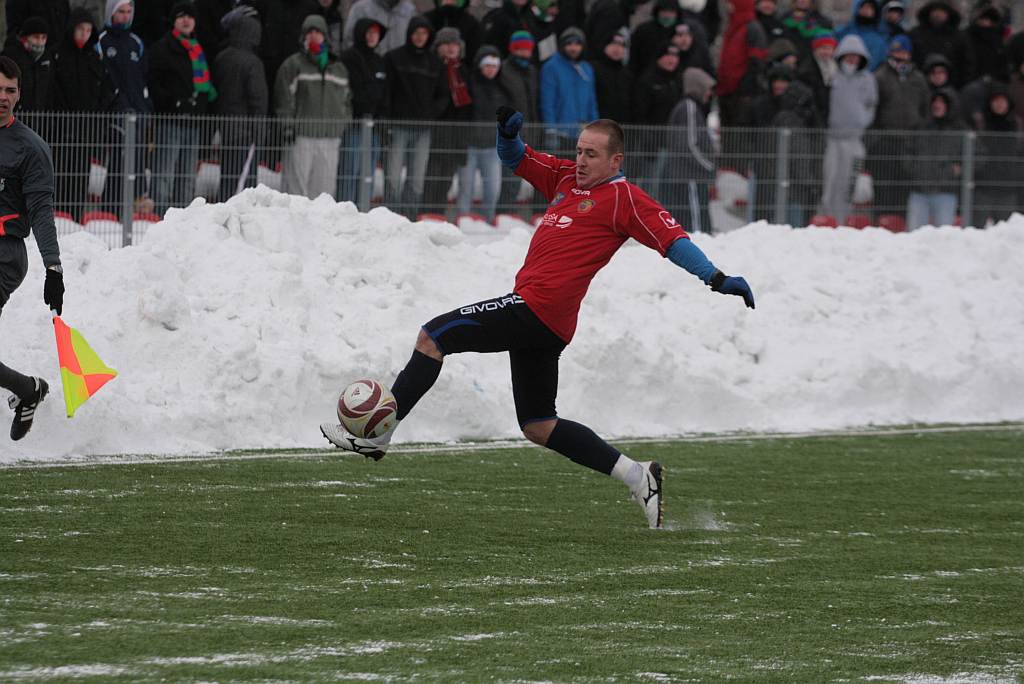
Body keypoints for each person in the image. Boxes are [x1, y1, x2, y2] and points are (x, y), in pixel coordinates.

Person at [320, 109, 756, 529]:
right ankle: (637, 476)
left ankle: (381, 432)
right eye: (579, 150)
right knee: (538, 424)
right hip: (544, 319)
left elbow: (673, 241)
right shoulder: (566, 178)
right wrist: (508, 136)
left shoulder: (626, 198)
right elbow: (517, 159)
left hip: (537, 309)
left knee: (435, 336)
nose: (580, 160)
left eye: (591, 154)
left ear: (615, 160)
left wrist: (716, 278)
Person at [0, 56, 64, 441]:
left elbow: (41, 211)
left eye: (9, 90)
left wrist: (53, 268)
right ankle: (26, 389)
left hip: (4, 256)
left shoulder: (30, 148)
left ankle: (28, 390)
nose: (3, 97)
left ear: (19, 95)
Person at [147, 1, 217, 214]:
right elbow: (154, 83)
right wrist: (173, 102)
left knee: (187, 177)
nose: (186, 20)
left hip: (193, 123)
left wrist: (199, 105)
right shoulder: (162, 48)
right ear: (174, 21)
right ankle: (160, 219)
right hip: (170, 121)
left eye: (190, 16)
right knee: (164, 176)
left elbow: (205, 88)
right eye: (181, 16)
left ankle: (183, 221)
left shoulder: (198, 49)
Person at [274, 14, 352, 200]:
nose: (314, 35)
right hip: (301, 137)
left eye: (318, 31)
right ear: (303, 37)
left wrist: (342, 124)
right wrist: (288, 126)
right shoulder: (293, 65)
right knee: (295, 192)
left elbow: (347, 101)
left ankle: (320, 229)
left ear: (325, 36)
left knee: (324, 195)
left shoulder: (338, 68)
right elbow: (284, 99)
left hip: (330, 138)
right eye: (310, 32)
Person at [868, 34, 929, 218]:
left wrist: (919, 132)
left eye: (903, 51)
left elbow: (925, 107)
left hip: (910, 142)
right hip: (885, 141)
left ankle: (900, 227)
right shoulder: (880, 76)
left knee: (904, 188)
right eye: (896, 51)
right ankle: (881, 224)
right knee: (883, 187)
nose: (900, 55)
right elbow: (873, 109)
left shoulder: (918, 78)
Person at [819, 34, 876, 224]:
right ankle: (827, 219)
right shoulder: (832, 75)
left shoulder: (868, 79)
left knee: (849, 183)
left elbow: (871, 104)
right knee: (829, 180)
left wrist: (862, 121)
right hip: (832, 139)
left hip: (854, 141)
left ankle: (843, 221)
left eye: (856, 56)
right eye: (848, 56)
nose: (852, 60)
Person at [212, 13, 267, 200]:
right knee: (245, 184)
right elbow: (258, 100)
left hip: (226, 128)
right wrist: (260, 133)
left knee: (227, 178)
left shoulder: (221, 58)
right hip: (246, 132)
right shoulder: (253, 62)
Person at [458, 45, 510, 222]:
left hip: (492, 147)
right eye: (487, 65)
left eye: (495, 65)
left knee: (492, 188)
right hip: (469, 145)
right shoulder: (470, 83)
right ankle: (463, 220)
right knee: (466, 187)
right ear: (480, 65)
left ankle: (488, 221)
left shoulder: (502, 87)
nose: (491, 69)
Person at [903, 88, 962, 230]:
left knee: (943, 237)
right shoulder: (919, 127)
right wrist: (914, 169)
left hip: (946, 191)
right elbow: (907, 153)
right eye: (935, 101)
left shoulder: (960, 129)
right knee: (914, 235)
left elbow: (976, 154)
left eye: (942, 102)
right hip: (919, 191)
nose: (937, 105)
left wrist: (959, 169)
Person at [667, 67, 716, 233]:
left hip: (692, 175)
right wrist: (708, 165)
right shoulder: (689, 107)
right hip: (690, 175)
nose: (710, 93)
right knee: (696, 226)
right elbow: (688, 144)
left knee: (692, 220)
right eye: (708, 88)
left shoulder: (691, 107)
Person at [539, 27, 598, 157]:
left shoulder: (586, 68)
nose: (573, 48)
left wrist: (596, 128)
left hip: (583, 134)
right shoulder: (551, 67)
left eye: (577, 44)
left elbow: (591, 101)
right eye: (569, 44)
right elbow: (547, 101)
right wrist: (551, 129)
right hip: (561, 133)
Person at [908, 0, 974, 88]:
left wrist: (960, 86)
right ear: (929, 12)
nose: (938, 14)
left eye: (942, 11)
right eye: (935, 11)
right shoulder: (915, 34)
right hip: (919, 86)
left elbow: (967, 64)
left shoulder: (959, 37)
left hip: (952, 87)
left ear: (948, 14)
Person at [1, 16, 55, 111]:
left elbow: (50, 91)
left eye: (43, 38)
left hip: (40, 117)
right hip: (14, 115)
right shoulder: (11, 57)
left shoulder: (47, 59)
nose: (40, 42)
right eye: (36, 37)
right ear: (25, 38)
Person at [343, 0, 416, 55]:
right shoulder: (362, 8)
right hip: (368, 69)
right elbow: (349, 39)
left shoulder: (409, 10)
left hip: (398, 69)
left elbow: (414, 43)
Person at [835, 0, 888, 71]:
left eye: (870, 8)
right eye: (863, 7)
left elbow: (878, 62)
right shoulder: (844, 31)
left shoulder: (879, 39)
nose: (866, 10)